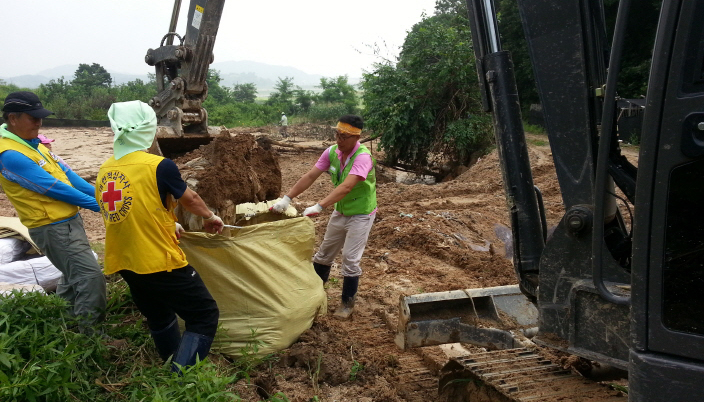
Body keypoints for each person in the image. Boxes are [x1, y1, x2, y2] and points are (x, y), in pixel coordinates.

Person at [96, 100, 224, 372]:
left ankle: (169, 361)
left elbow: (131, 209)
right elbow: (190, 199)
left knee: (158, 313)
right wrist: (211, 217)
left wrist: (169, 224)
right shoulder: (158, 165)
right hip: (157, 260)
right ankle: (182, 378)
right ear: (148, 128)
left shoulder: (106, 169)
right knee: (204, 314)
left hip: (125, 260)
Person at [0, 91, 106, 329]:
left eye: (40, 117)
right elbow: (52, 188)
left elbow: (71, 178)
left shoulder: (35, 145)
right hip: (52, 228)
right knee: (90, 277)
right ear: (13, 118)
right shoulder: (9, 155)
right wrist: (101, 207)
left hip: (69, 221)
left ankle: (64, 328)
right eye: (33, 118)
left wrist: (104, 197)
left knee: (70, 276)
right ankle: (91, 338)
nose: (39, 122)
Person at [270, 115, 376, 319]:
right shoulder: (332, 152)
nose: (339, 139)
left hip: (361, 214)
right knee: (324, 253)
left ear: (356, 137)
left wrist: (320, 205)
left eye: (344, 136)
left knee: (350, 259)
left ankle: (347, 304)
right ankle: (314, 296)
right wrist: (287, 198)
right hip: (341, 211)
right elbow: (311, 175)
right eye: (337, 134)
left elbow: (346, 187)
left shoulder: (362, 157)